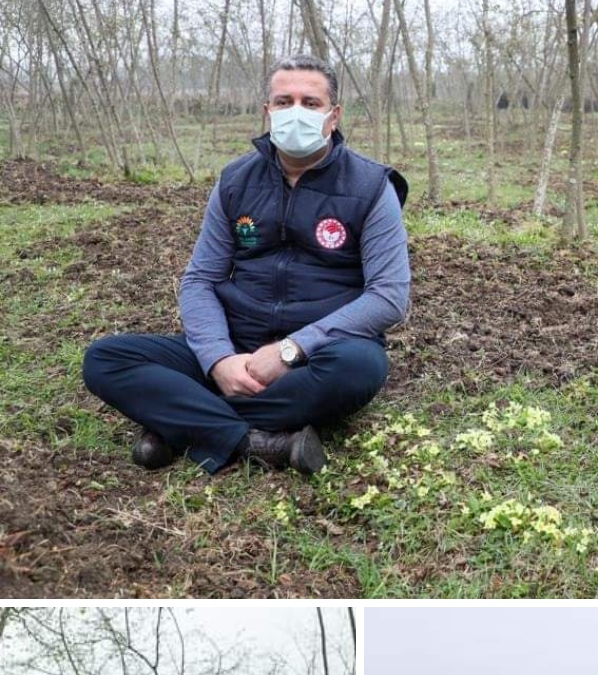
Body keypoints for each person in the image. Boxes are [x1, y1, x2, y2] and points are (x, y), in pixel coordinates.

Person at [83, 54, 410, 476]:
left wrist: (291, 351)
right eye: (283, 101)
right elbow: (200, 279)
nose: (296, 112)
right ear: (267, 112)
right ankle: (257, 441)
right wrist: (219, 360)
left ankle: (179, 423)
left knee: (361, 367)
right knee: (105, 359)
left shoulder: (370, 187)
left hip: (320, 352)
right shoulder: (235, 181)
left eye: (310, 103)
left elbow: (389, 297)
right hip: (237, 342)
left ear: (333, 116)